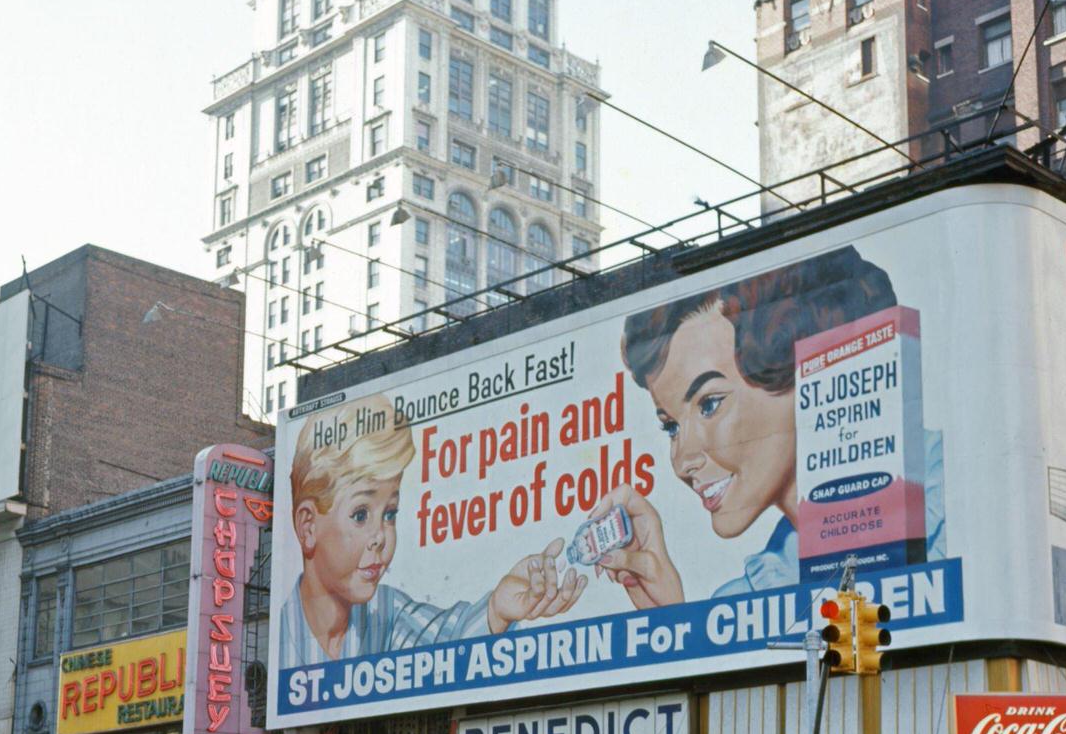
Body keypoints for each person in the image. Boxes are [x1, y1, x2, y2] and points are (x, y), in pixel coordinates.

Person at [596, 247, 944, 606]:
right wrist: (669, 615)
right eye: (671, 426)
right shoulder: (749, 598)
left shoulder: (959, 501)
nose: (683, 461)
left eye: (709, 404)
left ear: (804, 367)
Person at [279, 391, 585, 668]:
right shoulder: (279, 643)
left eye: (390, 513)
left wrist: (495, 610)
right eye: (360, 515)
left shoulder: (386, 612)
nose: (380, 537)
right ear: (308, 527)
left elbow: (446, 644)